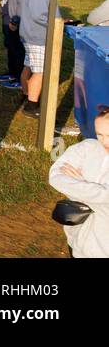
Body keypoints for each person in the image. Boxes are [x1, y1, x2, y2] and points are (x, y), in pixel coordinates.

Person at [48, 106, 109, 257]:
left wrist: (78, 182)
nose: (104, 141)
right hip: (77, 241)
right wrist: (93, 193)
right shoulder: (87, 147)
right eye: (99, 134)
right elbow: (55, 176)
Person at [12, 0, 54, 118]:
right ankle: (31, 105)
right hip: (38, 35)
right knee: (40, 71)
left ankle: (25, 94)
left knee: (29, 66)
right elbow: (39, 15)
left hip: (29, 32)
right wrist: (57, 23)